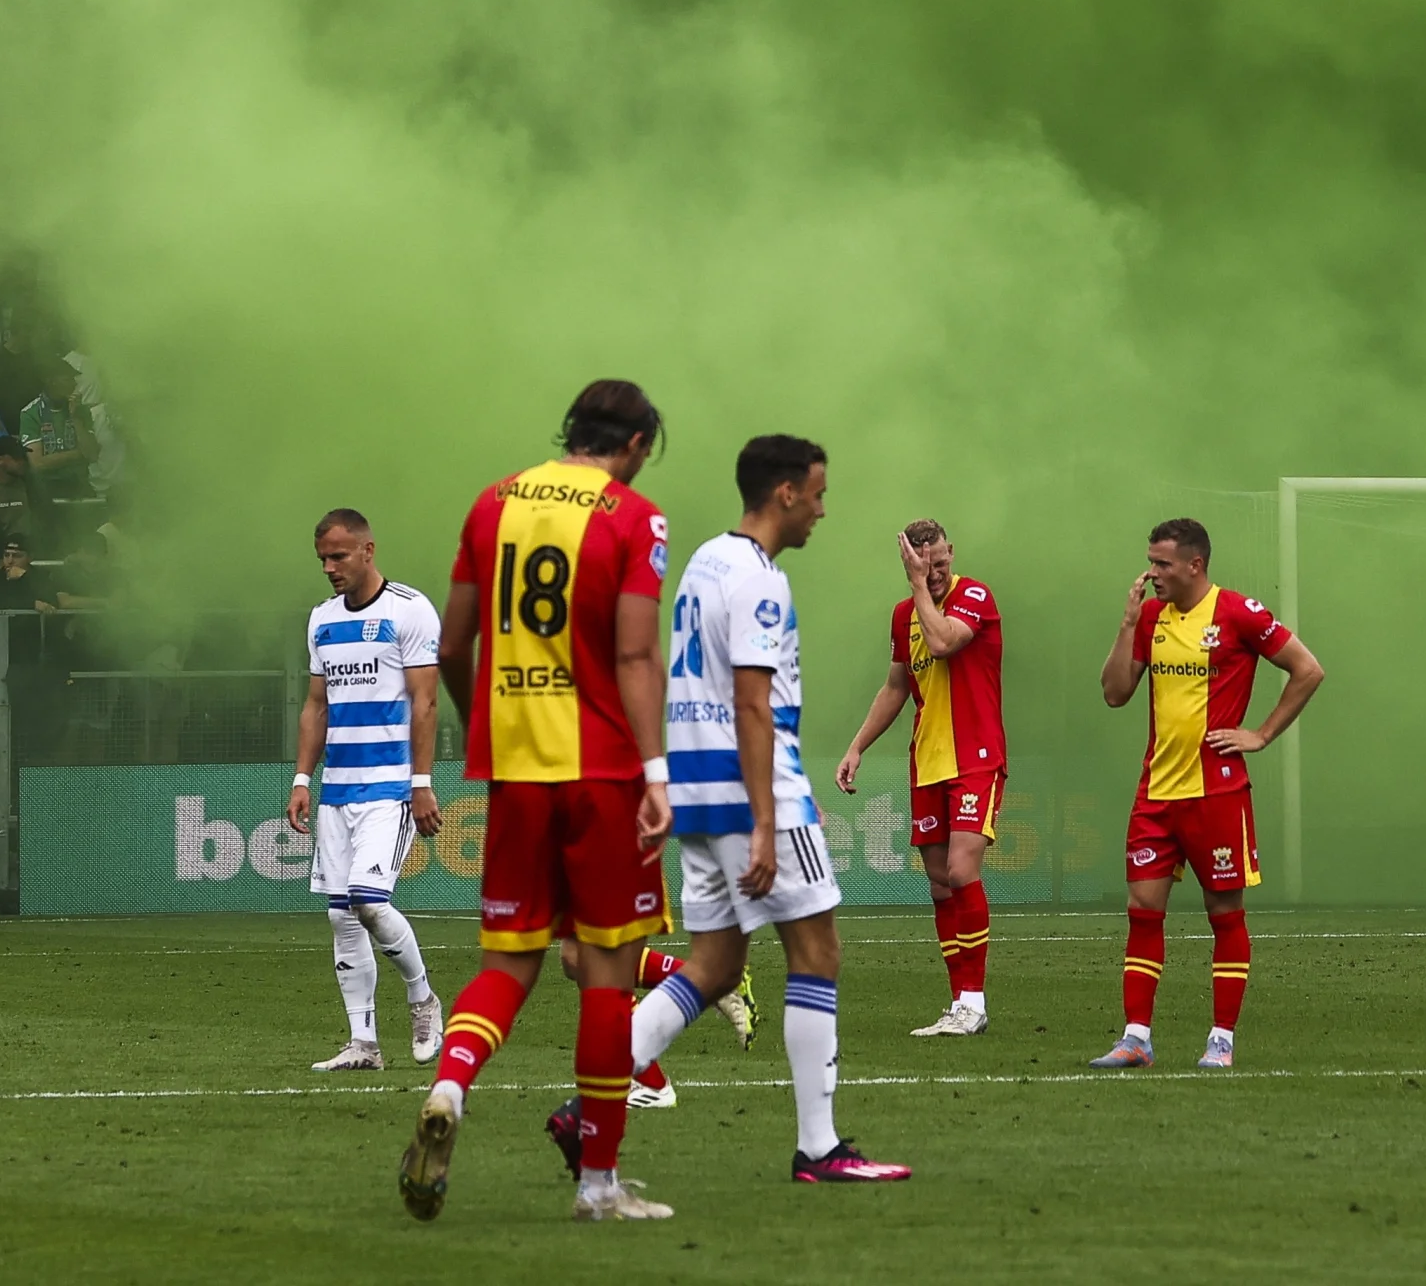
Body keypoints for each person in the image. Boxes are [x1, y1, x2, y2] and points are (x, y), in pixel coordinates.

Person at [398, 379, 690, 1227]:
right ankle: (598, 1185)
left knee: (508, 965)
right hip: (604, 772)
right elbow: (634, 656)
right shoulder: (636, 518)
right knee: (606, 975)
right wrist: (657, 772)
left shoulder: (493, 503)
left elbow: (454, 644)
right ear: (634, 445)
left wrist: (483, 725)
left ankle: (450, 1087)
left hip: (517, 768)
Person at [601, 432, 907, 1187]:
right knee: (817, 953)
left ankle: (591, 1099)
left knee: (714, 965)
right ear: (786, 493)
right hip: (751, 790)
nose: (822, 511)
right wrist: (768, 820)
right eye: (818, 495)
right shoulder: (760, 580)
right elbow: (751, 702)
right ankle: (819, 1148)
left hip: (700, 789)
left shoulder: (705, 560)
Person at [1090, 515, 1325, 1072]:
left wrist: (1261, 734)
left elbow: (1308, 670)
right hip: (1156, 792)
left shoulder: (1239, 613)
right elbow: (1115, 693)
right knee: (1142, 911)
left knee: (1224, 913)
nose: (1152, 573)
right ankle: (1136, 1039)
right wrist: (1127, 625)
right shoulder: (1151, 616)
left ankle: (1221, 1040)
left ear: (1195, 565)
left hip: (1217, 793)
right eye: (1150, 562)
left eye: (1162, 563)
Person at [833, 515, 1008, 1036]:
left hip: (975, 756)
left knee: (961, 870)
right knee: (939, 884)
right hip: (928, 760)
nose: (933, 573)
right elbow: (895, 687)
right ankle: (958, 1004)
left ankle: (974, 1002)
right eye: (922, 565)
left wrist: (918, 587)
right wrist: (857, 746)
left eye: (939, 562)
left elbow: (942, 642)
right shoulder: (902, 615)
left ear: (951, 552)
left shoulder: (974, 595)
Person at [291, 506, 448, 1074]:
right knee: (341, 917)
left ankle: (423, 997)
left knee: (369, 901)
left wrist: (421, 784)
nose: (329, 567)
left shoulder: (409, 610)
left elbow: (426, 702)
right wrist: (302, 779)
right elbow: (317, 706)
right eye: (322, 559)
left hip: (389, 787)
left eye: (338, 556)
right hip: (337, 791)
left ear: (367, 551)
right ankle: (364, 1044)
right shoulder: (321, 620)